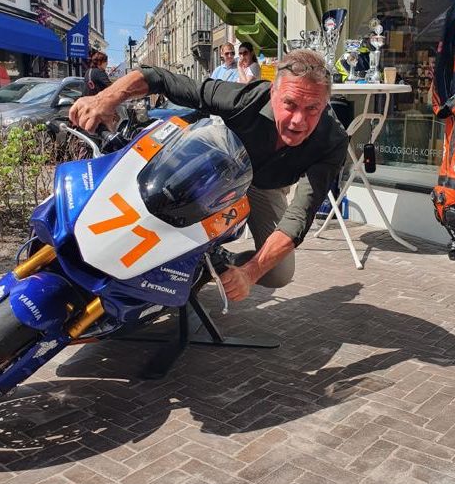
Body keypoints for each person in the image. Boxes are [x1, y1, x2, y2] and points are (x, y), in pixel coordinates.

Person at [69, 48, 348, 303]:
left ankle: (207, 266)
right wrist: (104, 98)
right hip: (215, 167)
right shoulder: (244, 98)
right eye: (289, 104)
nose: (298, 120)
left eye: (312, 109)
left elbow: (298, 217)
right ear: (273, 92)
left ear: (325, 104)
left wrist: (249, 273)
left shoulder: (333, 141)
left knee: (279, 274)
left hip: (264, 187)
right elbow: (161, 79)